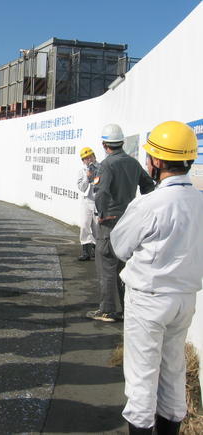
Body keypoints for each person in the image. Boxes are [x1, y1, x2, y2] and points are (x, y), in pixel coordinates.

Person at [110, 121, 203, 434]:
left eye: (150, 156)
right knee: (173, 372)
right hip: (185, 300)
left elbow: (121, 247)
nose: (148, 161)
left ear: (158, 162)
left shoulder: (149, 203)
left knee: (141, 379)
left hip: (149, 299)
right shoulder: (201, 202)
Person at [86, 123, 154, 323]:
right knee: (123, 267)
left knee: (106, 264)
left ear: (105, 145)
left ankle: (108, 310)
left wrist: (102, 214)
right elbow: (148, 185)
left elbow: (101, 193)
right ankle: (125, 308)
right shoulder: (133, 163)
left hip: (110, 222)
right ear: (121, 143)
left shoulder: (107, 164)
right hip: (129, 221)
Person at [76, 147, 100, 261]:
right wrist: (87, 176)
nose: (88, 159)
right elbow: (81, 187)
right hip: (86, 201)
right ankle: (86, 251)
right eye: (85, 158)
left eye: (90, 156)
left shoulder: (101, 167)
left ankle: (96, 251)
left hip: (98, 201)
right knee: (84, 225)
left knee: (96, 227)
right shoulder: (82, 171)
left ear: (94, 156)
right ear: (83, 160)